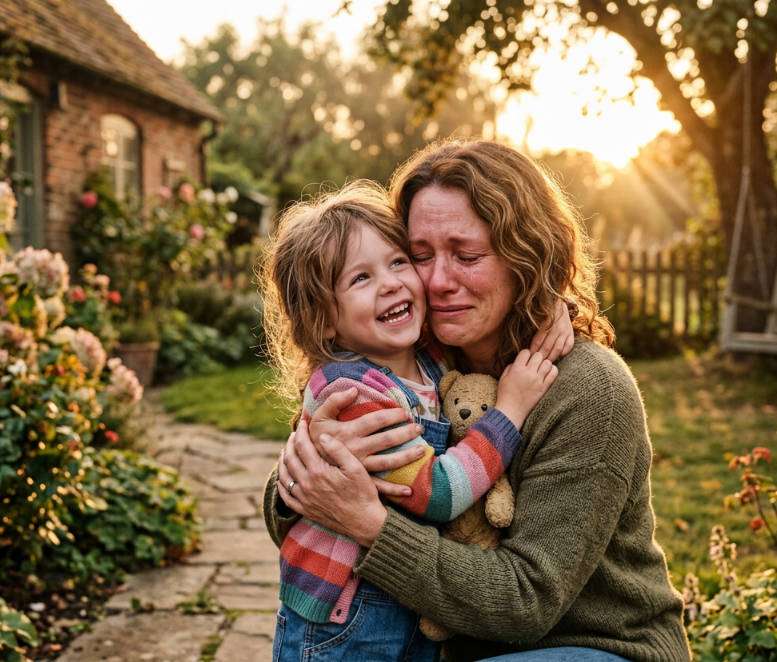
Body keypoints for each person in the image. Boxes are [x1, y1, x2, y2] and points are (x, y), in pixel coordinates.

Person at [264, 140, 691, 661]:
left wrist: (368, 524)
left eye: (466, 256)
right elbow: (304, 509)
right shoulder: (420, 360)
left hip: (593, 646)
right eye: (420, 256)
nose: (439, 282)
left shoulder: (589, 389)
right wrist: (299, 477)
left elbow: (525, 602)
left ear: (525, 256)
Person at [262, 180, 565, 661]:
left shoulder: (425, 358)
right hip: (345, 624)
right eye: (360, 279)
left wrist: (552, 307)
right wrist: (509, 412)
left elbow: (506, 310)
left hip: (406, 603)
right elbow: (439, 493)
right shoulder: (355, 395)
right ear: (322, 320)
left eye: (398, 261)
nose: (391, 283)